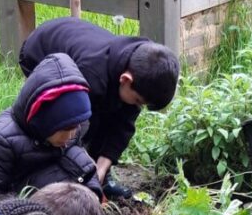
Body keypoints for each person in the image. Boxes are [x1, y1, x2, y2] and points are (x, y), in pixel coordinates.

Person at [18, 17, 180, 199]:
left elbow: (123, 127)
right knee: (69, 125)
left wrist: (101, 169)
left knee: (113, 115)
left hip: (80, 50)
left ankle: (99, 178)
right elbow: (77, 129)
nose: (137, 107)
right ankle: (55, 177)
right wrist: (84, 171)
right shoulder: (93, 74)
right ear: (126, 79)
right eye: (137, 101)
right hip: (39, 49)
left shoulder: (140, 68)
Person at [0, 52, 102, 200]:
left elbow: (78, 160)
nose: (72, 134)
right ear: (44, 121)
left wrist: (92, 193)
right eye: (65, 128)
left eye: (76, 126)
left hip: (53, 199)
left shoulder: (67, 131)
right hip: (25, 209)